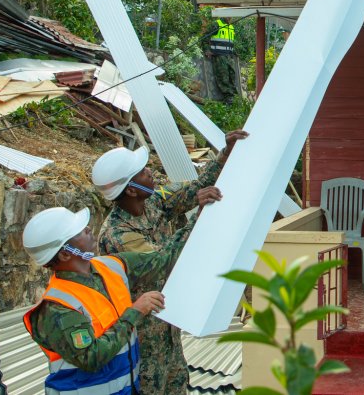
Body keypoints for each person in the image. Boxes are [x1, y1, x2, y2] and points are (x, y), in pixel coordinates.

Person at [92, 130, 248, 395]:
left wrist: (226, 153)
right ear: (131, 189)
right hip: (143, 339)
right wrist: (198, 219)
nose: (150, 172)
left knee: (177, 385)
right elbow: (162, 260)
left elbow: (195, 189)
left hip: (167, 329)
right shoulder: (118, 234)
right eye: (143, 172)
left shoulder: (153, 202)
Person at [22, 203, 201, 395]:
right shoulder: (57, 307)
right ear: (65, 254)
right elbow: (91, 358)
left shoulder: (110, 267)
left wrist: (198, 218)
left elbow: (163, 259)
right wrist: (135, 312)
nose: (88, 229)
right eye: (79, 232)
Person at [208, 18, 238, 104]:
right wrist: (207, 50)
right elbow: (205, 37)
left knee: (232, 75)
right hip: (219, 55)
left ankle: (233, 97)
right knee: (223, 76)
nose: (229, 17)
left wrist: (234, 52)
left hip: (229, 55)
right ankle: (228, 98)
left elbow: (229, 41)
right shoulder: (216, 24)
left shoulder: (231, 26)